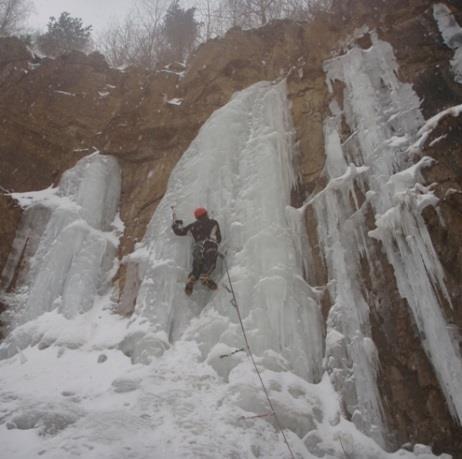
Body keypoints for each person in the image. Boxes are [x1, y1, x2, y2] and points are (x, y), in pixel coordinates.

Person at [172, 207, 222, 295]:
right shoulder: (213, 222)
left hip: (198, 247)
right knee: (210, 263)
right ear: (206, 214)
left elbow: (179, 232)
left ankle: (193, 277)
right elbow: (219, 238)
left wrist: (176, 224)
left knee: (197, 264)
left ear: (197, 217)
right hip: (209, 245)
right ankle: (205, 275)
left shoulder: (193, 226)